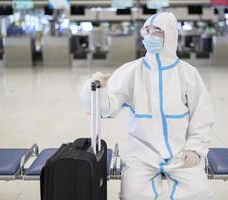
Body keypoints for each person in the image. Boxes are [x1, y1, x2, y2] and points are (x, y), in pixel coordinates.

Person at [80, 12, 214, 200]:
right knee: (133, 195)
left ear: (170, 35)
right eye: (147, 31)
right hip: (141, 153)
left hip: (180, 151)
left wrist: (194, 148)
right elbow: (107, 109)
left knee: (198, 193)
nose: (150, 36)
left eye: (157, 31)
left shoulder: (188, 73)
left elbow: (202, 113)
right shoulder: (132, 71)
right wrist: (100, 88)